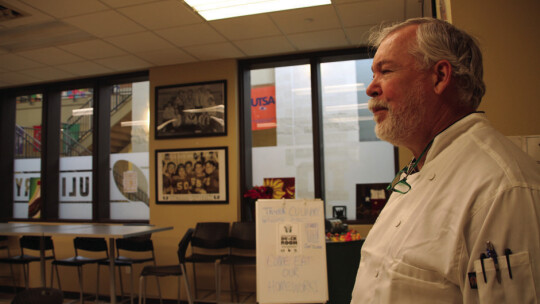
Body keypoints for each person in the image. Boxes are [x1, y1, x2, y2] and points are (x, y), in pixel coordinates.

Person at [350, 17, 540, 303]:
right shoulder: (417, 173)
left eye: (385, 71)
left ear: (439, 76)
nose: (371, 88)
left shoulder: (502, 189)